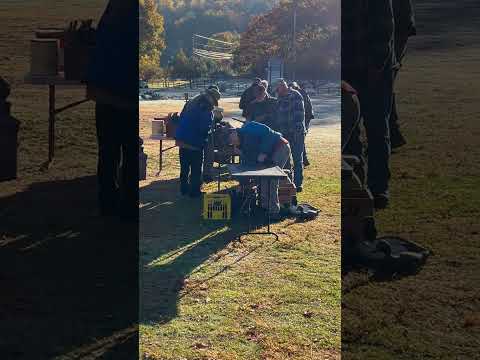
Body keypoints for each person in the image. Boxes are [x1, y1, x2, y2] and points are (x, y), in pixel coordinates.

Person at [87, 0, 138, 220]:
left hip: (108, 99)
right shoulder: (129, 22)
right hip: (123, 100)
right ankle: (126, 205)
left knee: (109, 155)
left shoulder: (110, 21)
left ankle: (109, 204)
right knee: (126, 155)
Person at [342, 0, 395, 209]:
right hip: (348, 72)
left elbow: (384, 31)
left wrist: (375, 68)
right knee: (351, 133)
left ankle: (379, 188)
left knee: (377, 130)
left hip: (376, 72)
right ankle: (357, 186)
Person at [230, 121, 292, 220]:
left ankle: (273, 211)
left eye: (234, 142)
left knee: (271, 179)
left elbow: (269, 134)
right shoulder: (243, 144)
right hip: (270, 153)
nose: (235, 145)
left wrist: (264, 151)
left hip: (280, 148)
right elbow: (249, 163)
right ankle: (264, 207)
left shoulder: (249, 128)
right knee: (263, 178)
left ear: (235, 134)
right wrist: (242, 183)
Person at [175, 88, 220, 197]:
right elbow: (204, 127)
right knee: (196, 169)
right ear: (211, 98)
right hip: (194, 142)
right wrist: (212, 126)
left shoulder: (192, 100)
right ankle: (194, 192)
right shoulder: (206, 107)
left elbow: (182, 116)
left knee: (184, 167)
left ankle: (184, 189)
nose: (213, 104)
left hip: (182, 139)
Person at [390, 0, 416, 149]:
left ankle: (392, 132)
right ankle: (392, 132)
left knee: (384, 83)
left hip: (396, 27)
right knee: (386, 84)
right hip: (399, 25)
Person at [274, 79, 306, 192]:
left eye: (278, 89)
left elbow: (299, 115)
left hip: (296, 133)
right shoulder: (279, 98)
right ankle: (289, 183)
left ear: (283, 86)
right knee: (286, 160)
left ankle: (298, 184)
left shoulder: (295, 95)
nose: (277, 92)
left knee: (297, 159)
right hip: (284, 133)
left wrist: (296, 131)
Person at [290, 81, 314, 166]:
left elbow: (307, 107)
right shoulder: (303, 93)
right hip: (305, 119)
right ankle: (304, 160)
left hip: (302, 120)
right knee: (301, 140)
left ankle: (303, 160)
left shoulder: (298, 94)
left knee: (299, 140)